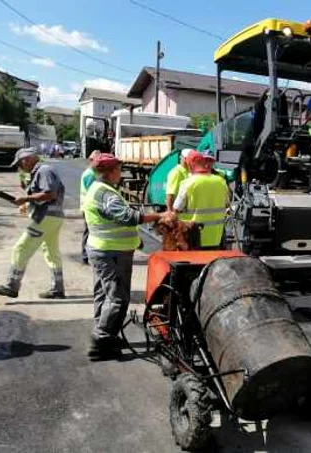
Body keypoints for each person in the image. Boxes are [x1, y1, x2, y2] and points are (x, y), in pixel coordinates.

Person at [83, 154, 171, 359]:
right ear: (111, 171)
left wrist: (136, 241)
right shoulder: (106, 193)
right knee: (117, 298)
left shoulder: (97, 189)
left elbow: (113, 220)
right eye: (119, 170)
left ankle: (107, 335)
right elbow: (128, 217)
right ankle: (100, 341)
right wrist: (159, 216)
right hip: (112, 252)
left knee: (104, 295)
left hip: (104, 249)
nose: (120, 174)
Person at [0, 148, 66, 299]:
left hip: (45, 217)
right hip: (53, 218)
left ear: (27, 159)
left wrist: (25, 199)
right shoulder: (41, 171)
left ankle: (12, 286)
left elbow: (50, 194)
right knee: (51, 252)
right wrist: (27, 201)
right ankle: (57, 289)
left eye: (20, 163)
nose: (20, 167)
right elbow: (46, 195)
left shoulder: (44, 170)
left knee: (20, 248)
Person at [174, 152, 229, 250]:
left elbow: (176, 209)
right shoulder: (221, 181)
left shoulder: (188, 183)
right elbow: (226, 204)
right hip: (215, 237)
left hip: (193, 236)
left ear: (190, 165)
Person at [80, 150, 101, 264]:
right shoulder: (90, 174)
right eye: (97, 161)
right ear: (91, 160)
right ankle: (85, 255)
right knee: (89, 232)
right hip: (89, 208)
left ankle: (88, 254)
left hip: (89, 207)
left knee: (91, 232)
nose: (99, 164)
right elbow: (92, 192)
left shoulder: (93, 173)